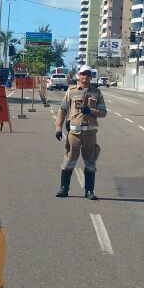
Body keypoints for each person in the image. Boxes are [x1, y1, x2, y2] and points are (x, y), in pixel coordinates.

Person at [54, 66, 107, 199]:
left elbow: (103, 112)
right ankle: (64, 188)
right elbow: (63, 110)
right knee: (69, 161)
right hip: (74, 133)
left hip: (90, 134)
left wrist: (91, 111)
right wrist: (58, 128)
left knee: (90, 163)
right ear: (78, 75)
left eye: (88, 74)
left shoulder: (96, 93)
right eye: (83, 74)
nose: (85, 77)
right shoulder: (71, 91)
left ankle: (89, 191)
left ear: (91, 76)